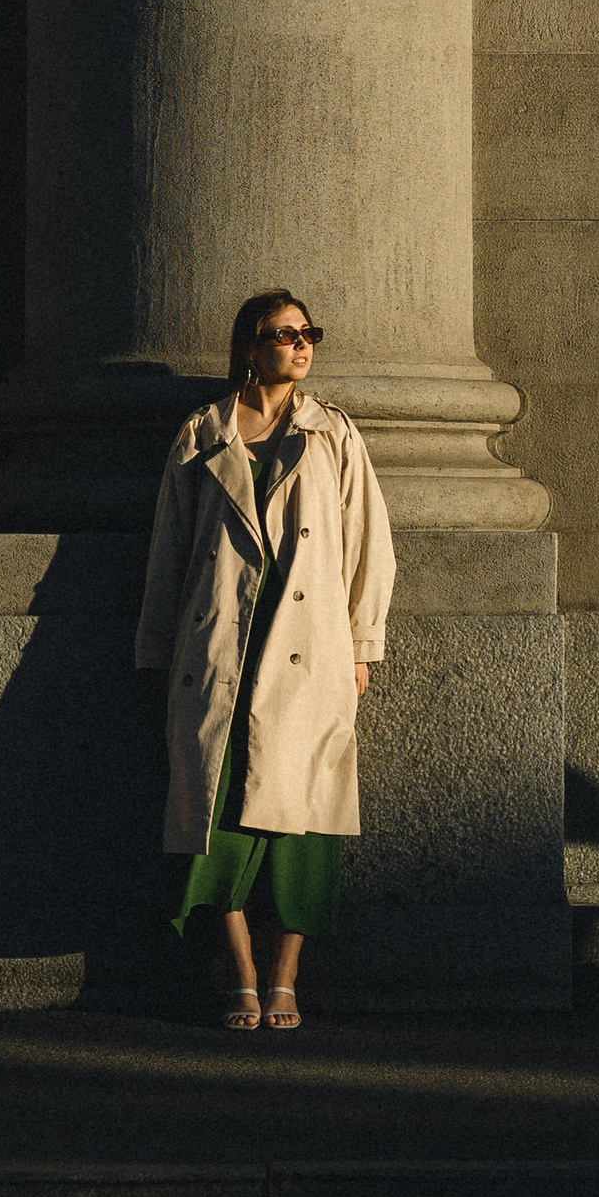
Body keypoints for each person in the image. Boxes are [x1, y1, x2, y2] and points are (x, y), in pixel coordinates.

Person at [137, 290, 394, 1032]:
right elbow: (168, 553)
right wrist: (157, 649)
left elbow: (370, 547)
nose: (301, 345)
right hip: (221, 651)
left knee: (302, 827)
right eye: (284, 334)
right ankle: (242, 973)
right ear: (251, 347)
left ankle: (284, 978)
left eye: (308, 333)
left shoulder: (333, 435)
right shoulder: (203, 433)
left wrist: (362, 645)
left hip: (311, 657)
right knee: (215, 824)